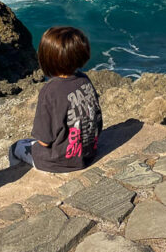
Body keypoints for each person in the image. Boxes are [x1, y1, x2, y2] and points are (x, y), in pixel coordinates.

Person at [8, 26, 103, 173]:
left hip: (60, 161)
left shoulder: (50, 91)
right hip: (88, 153)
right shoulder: (84, 80)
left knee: (16, 147)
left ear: (47, 60)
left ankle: (17, 174)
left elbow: (44, 141)